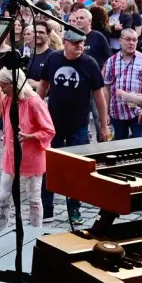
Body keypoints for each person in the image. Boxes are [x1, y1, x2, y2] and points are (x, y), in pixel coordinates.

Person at [37, 31, 108, 225]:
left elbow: (99, 96)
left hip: (78, 126)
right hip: (53, 125)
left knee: (76, 170)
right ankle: (47, 208)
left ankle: (74, 208)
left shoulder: (89, 63)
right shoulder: (53, 59)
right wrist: (37, 109)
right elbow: (43, 85)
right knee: (49, 167)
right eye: (75, 43)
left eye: (82, 43)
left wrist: (103, 123)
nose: (79, 47)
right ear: (65, 43)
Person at [0, 67, 53, 229]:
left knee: (33, 199)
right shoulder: (7, 99)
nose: (0, 87)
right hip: (11, 155)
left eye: (3, 84)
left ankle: (35, 233)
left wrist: (31, 136)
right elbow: (8, 123)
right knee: (3, 198)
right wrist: (7, 135)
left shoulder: (34, 102)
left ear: (13, 84)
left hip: (32, 156)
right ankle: (0, 231)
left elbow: (49, 130)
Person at [103, 28, 142, 139]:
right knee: (120, 146)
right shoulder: (111, 61)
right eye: (128, 39)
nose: (131, 43)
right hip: (117, 110)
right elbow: (106, 88)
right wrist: (105, 114)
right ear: (120, 41)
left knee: (139, 144)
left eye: (134, 40)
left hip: (138, 112)